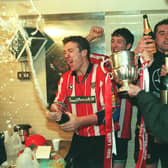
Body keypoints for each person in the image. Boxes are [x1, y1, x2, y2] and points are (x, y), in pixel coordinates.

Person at [46, 35, 113, 168]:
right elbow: (59, 103)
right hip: (79, 137)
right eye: (65, 52)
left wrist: (81, 121)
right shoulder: (66, 78)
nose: (66, 56)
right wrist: (54, 112)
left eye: (70, 51)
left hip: (101, 138)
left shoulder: (103, 73)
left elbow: (113, 112)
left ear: (84, 53)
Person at [87, 26, 135, 168]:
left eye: (119, 41)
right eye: (112, 41)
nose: (114, 45)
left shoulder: (135, 64)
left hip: (122, 130)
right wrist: (90, 37)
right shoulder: (104, 62)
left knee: (119, 164)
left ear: (129, 46)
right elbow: (80, 53)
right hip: (103, 129)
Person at [134, 18, 168, 168]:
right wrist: (136, 54)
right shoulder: (145, 57)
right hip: (146, 127)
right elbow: (127, 84)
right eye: (162, 33)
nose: (167, 37)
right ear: (154, 38)